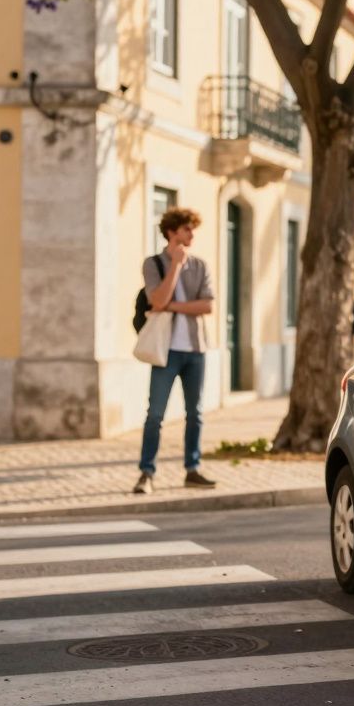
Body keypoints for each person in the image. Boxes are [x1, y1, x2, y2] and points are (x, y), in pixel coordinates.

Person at [134, 207, 218, 495]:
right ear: (172, 232)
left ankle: (192, 469)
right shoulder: (153, 264)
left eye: (192, 229)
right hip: (165, 351)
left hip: (195, 349)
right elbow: (157, 300)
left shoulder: (200, 265)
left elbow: (207, 305)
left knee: (195, 413)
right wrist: (176, 266)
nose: (192, 234)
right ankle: (146, 472)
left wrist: (172, 306)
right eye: (186, 229)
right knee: (155, 414)